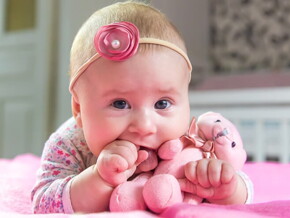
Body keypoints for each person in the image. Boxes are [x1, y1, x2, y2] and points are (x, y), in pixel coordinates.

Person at [31, 1, 253, 214]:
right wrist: (99, 179)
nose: (145, 126)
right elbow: (44, 204)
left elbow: (246, 188)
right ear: (79, 109)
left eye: (162, 104)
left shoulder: (188, 140)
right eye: (120, 104)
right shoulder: (69, 144)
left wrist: (227, 188)